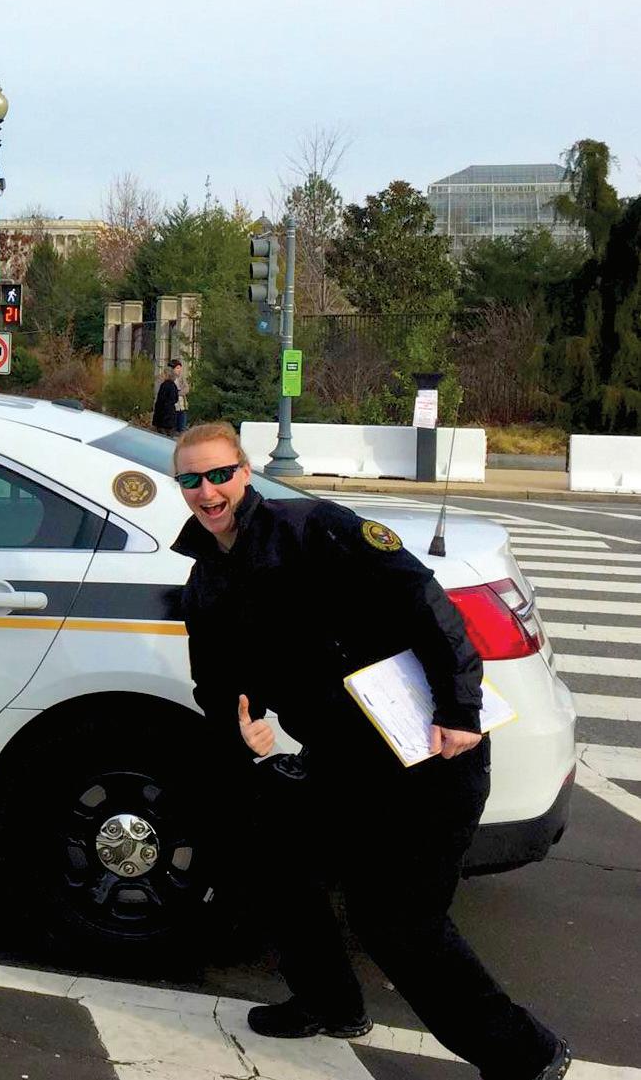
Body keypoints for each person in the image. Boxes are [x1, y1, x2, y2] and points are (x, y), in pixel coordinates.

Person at [171, 421, 569, 1080]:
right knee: (271, 845)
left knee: (398, 921)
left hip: (427, 753)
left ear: (244, 472)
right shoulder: (206, 581)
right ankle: (327, 1000)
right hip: (343, 759)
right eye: (191, 479)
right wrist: (241, 724)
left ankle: (526, 1055)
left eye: (219, 474)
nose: (207, 491)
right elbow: (218, 681)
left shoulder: (315, 529)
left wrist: (459, 708)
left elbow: (423, 600)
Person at [152, 359, 182, 435]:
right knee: (169, 434)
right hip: (170, 413)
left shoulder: (164, 385)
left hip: (162, 414)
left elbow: (160, 400)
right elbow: (175, 398)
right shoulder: (173, 385)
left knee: (161, 434)